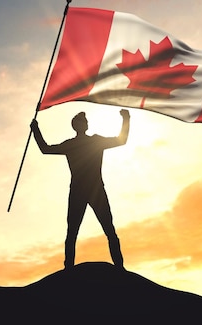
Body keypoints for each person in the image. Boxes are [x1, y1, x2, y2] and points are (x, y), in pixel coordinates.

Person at [30, 109, 130, 270]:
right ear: (79, 126)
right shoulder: (84, 143)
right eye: (82, 122)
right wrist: (36, 130)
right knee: (77, 231)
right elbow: (46, 149)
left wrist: (36, 130)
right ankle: (70, 267)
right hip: (87, 190)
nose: (85, 124)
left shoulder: (80, 143)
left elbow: (121, 140)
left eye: (84, 122)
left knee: (104, 229)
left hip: (89, 189)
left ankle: (118, 266)